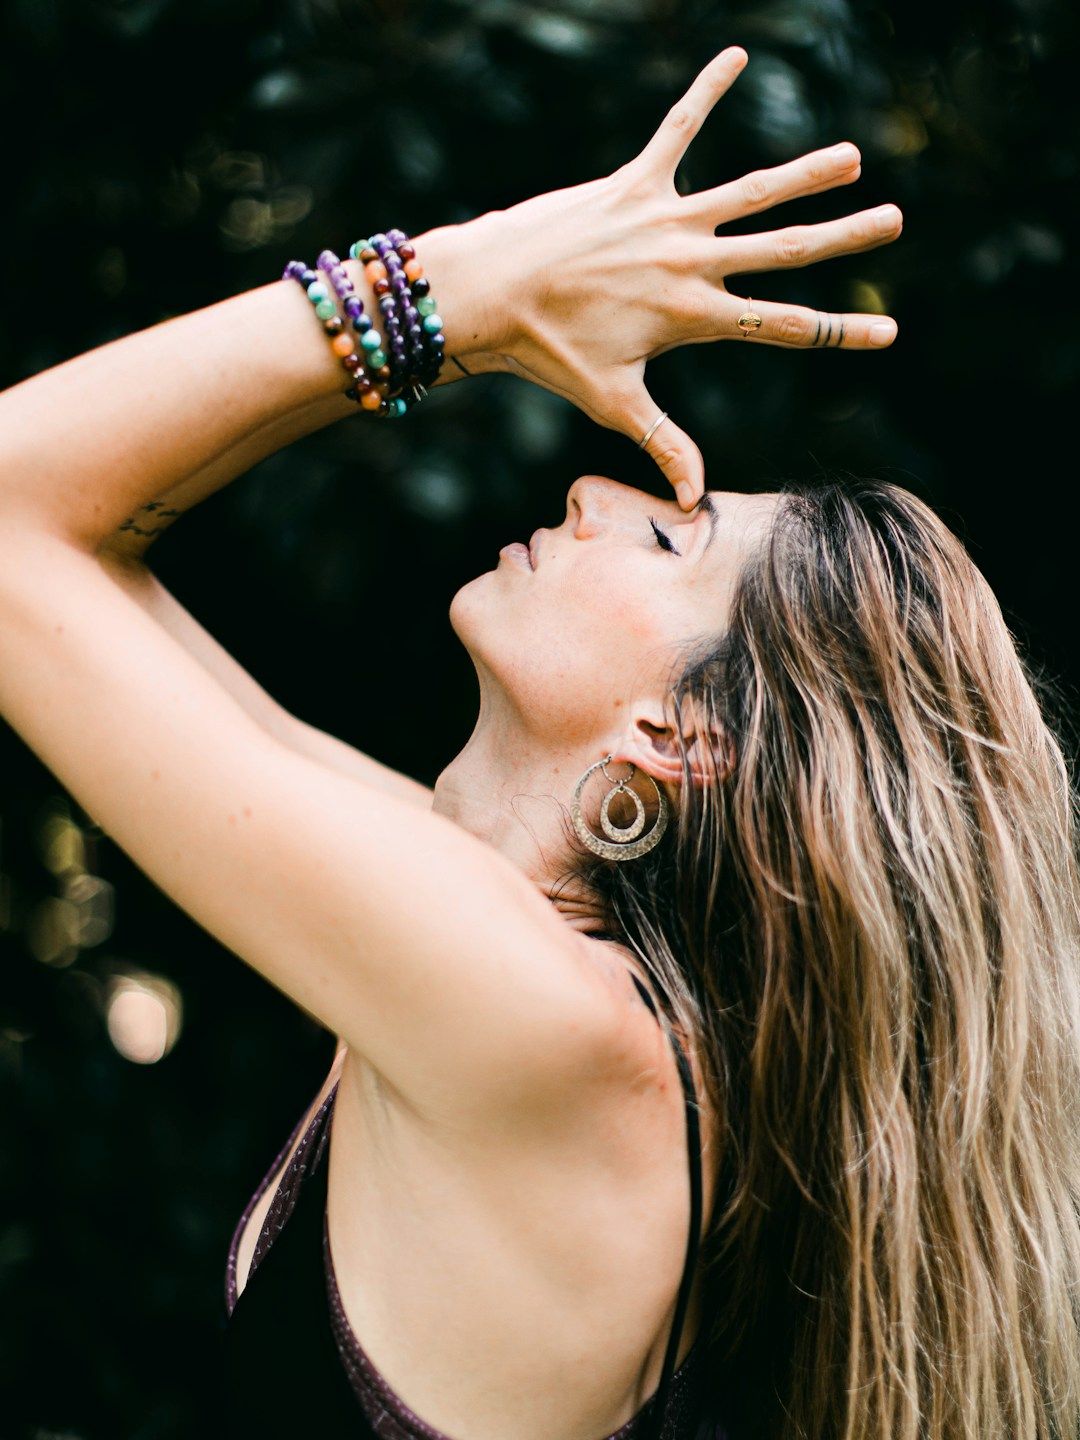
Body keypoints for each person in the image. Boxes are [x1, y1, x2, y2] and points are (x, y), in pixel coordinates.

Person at [2, 41, 1078, 1440]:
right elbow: (78, 543)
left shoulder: (552, 1032)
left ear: (683, 739)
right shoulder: (511, 961)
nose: (590, 484)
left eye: (673, 533)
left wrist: (467, 289)